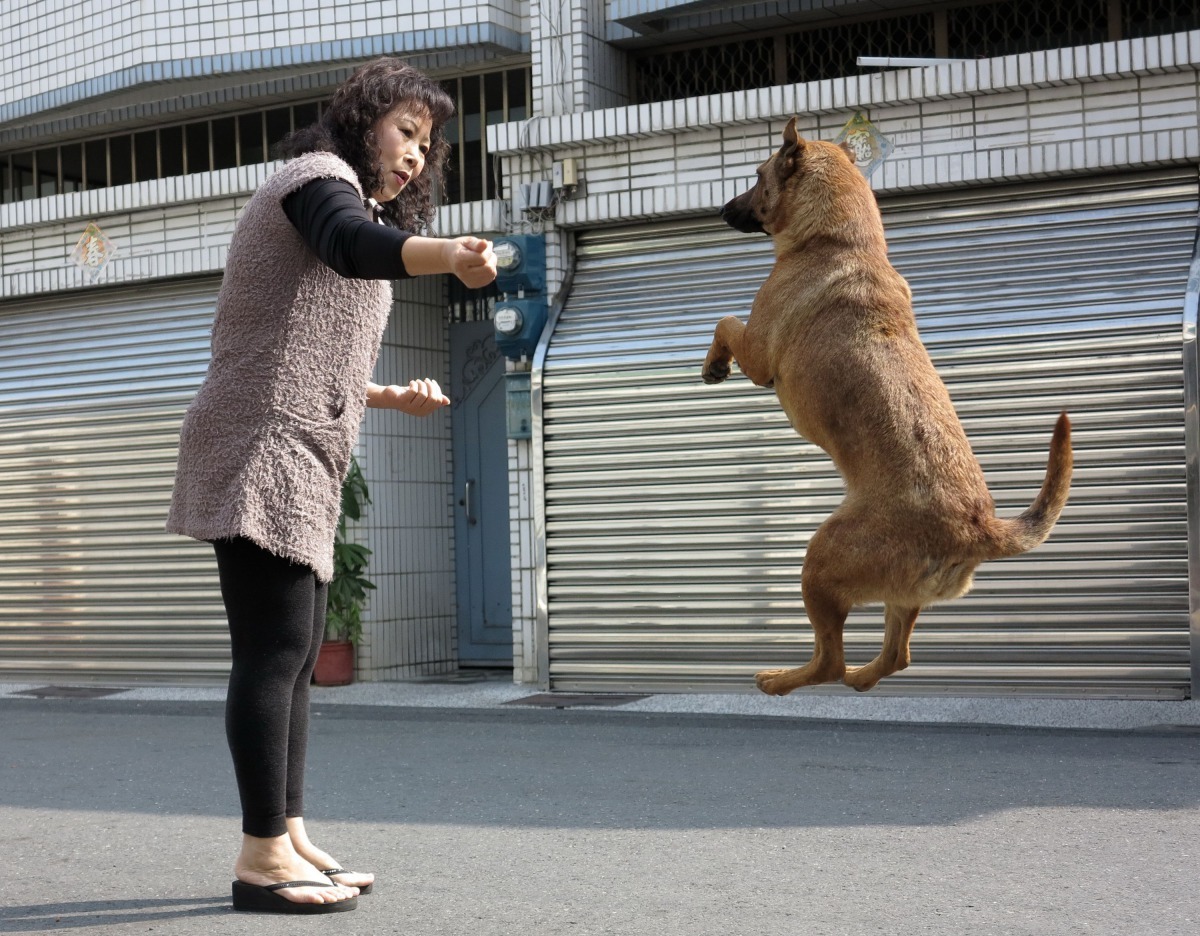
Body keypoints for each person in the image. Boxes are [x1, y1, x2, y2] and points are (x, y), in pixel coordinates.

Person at [166, 58, 497, 915]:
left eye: (429, 146)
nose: (418, 156)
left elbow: (305, 340)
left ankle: (289, 832)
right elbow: (354, 251)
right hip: (260, 443)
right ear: (362, 121)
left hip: (306, 447)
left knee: (301, 657)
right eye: (406, 132)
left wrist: (389, 392)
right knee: (273, 653)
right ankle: (259, 855)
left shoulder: (353, 201)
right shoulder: (318, 181)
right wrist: (449, 255)